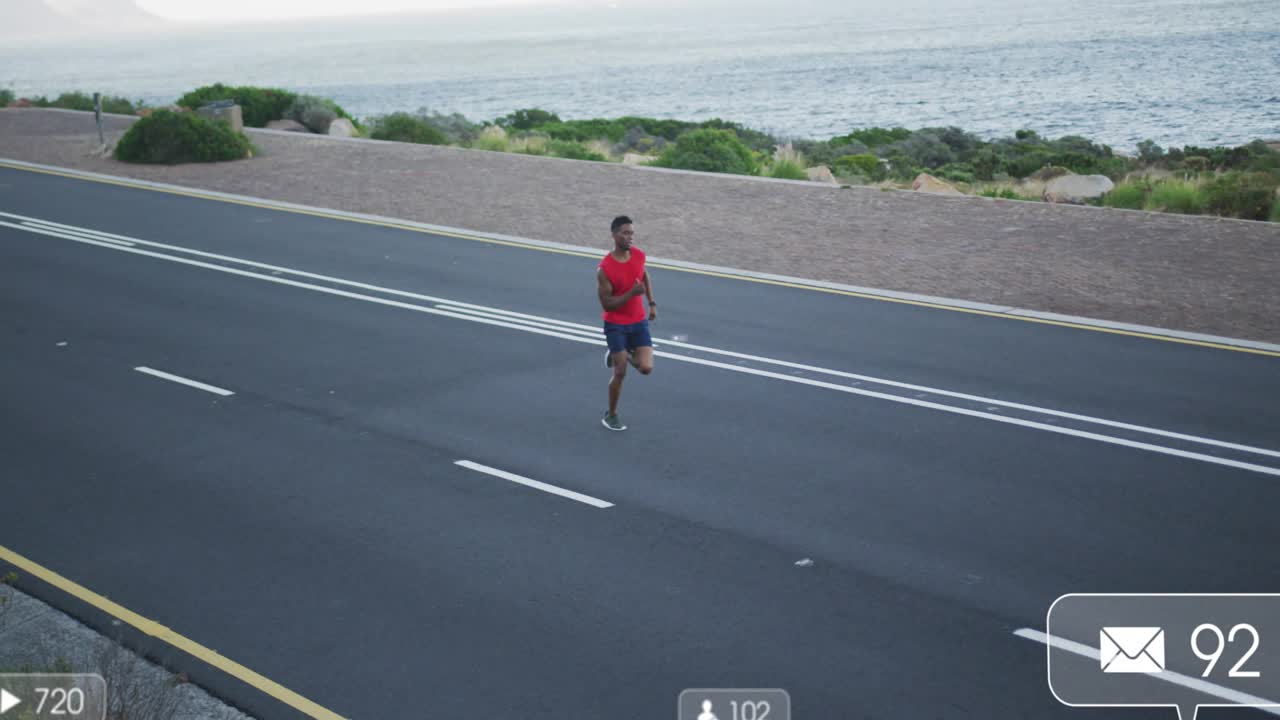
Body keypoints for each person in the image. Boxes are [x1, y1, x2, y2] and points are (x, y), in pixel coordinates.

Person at [597, 215, 656, 431]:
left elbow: (644, 275)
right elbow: (608, 305)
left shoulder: (639, 255)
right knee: (620, 372)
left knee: (646, 368)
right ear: (614, 235)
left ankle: (617, 353)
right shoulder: (604, 268)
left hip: (638, 321)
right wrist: (632, 293)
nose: (630, 237)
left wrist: (651, 302)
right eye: (625, 233)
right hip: (616, 324)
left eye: (631, 233)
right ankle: (611, 414)